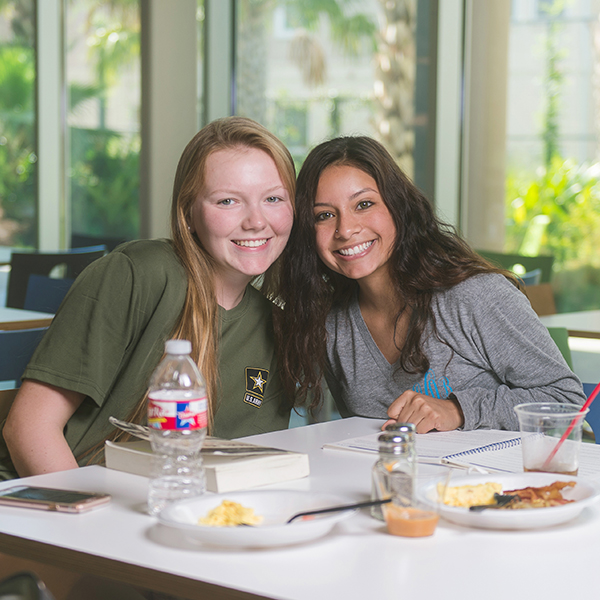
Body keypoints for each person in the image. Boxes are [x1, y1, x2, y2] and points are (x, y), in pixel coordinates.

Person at [0, 116, 296, 480]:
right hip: (57, 506)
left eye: (273, 198)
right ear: (189, 213)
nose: (255, 221)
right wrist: (88, 525)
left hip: (169, 511)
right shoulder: (136, 274)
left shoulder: (275, 326)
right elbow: (28, 429)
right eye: (228, 201)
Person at [274, 135, 585, 433]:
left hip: (499, 485)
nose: (346, 229)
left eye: (364, 205)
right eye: (325, 215)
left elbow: (566, 400)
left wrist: (457, 410)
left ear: (398, 207)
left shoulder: (474, 296)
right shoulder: (332, 325)